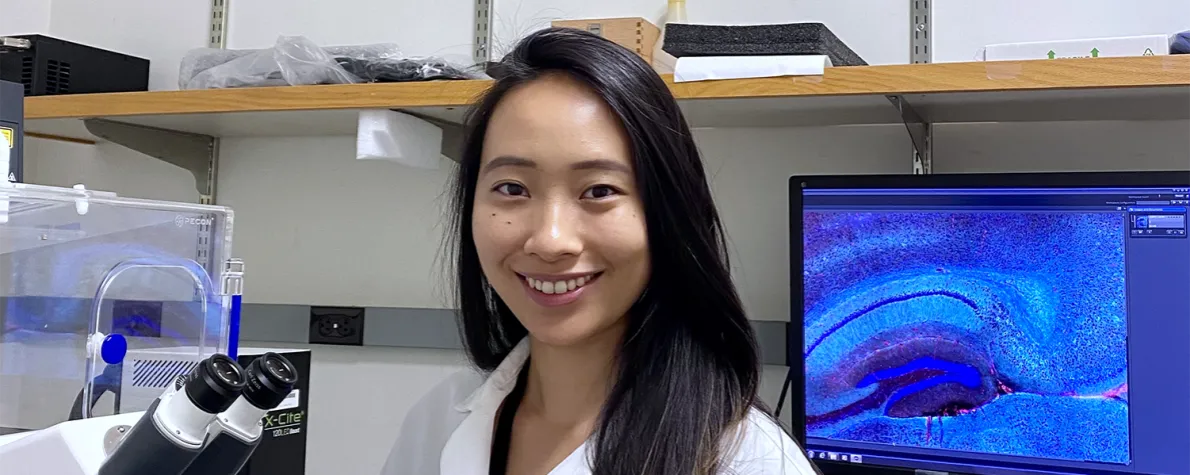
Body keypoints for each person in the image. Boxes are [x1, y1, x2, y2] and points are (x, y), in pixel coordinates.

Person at [381, 27, 821, 475]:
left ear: (667, 215)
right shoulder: (439, 419)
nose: (551, 240)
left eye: (599, 191)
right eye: (511, 188)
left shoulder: (749, 461)